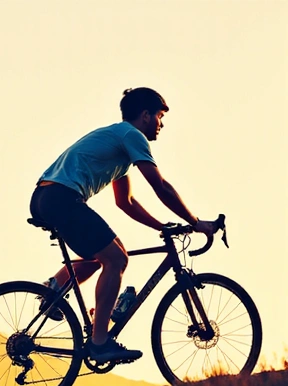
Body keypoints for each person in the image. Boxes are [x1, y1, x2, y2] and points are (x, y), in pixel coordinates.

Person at [30, 87, 215, 365]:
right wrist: (197, 222)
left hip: (48, 197)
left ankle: (54, 288)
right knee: (116, 258)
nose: (161, 125)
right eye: (160, 117)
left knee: (107, 255)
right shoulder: (132, 136)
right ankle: (100, 342)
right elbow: (161, 186)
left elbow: (125, 202)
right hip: (62, 197)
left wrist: (161, 226)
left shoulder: (121, 142)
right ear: (145, 115)